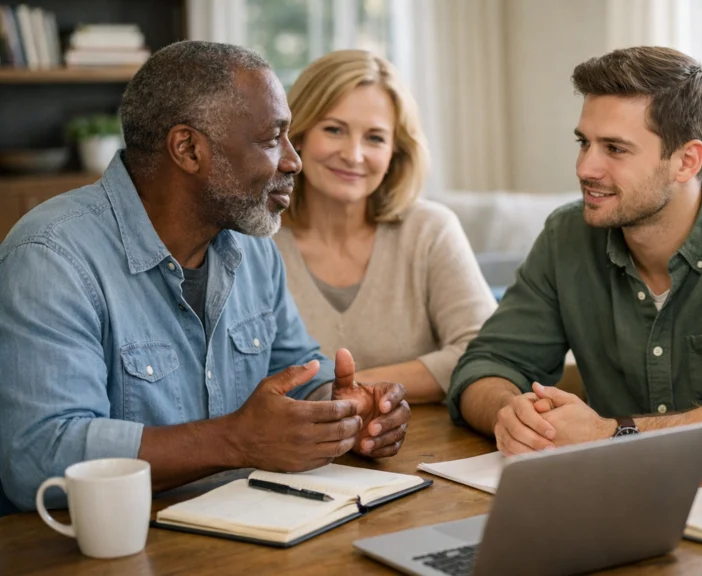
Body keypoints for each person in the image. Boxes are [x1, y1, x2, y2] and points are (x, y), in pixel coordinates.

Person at [0, 41, 411, 516]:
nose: (294, 160)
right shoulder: (51, 258)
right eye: (272, 138)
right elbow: (37, 457)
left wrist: (341, 411)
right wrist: (234, 442)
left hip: (248, 533)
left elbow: (296, 373)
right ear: (188, 149)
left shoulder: (254, 247)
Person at [447, 46, 702, 465]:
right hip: (613, 503)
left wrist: (615, 435)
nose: (586, 168)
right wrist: (512, 414)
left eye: (615, 149)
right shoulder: (567, 235)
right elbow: (486, 364)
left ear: (686, 161)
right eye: (585, 143)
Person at [275, 50, 495, 403]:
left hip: (429, 448)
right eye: (334, 130)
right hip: (296, 454)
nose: (353, 154)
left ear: (396, 151)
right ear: (296, 135)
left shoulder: (430, 230)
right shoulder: (254, 241)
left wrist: (348, 389)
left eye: (375, 138)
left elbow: (483, 351)